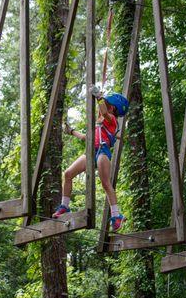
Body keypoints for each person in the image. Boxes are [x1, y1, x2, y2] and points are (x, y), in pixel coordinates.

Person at [52, 87, 129, 232]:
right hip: (91, 151)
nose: (102, 108)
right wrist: (71, 131)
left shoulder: (112, 120)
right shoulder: (99, 124)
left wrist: (99, 97)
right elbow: (85, 137)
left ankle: (116, 215)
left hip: (103, 152)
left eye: (105, 104)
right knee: (68, 174)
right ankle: (64, 206)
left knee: (106, 184)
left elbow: (105, 112)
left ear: (112, 108)